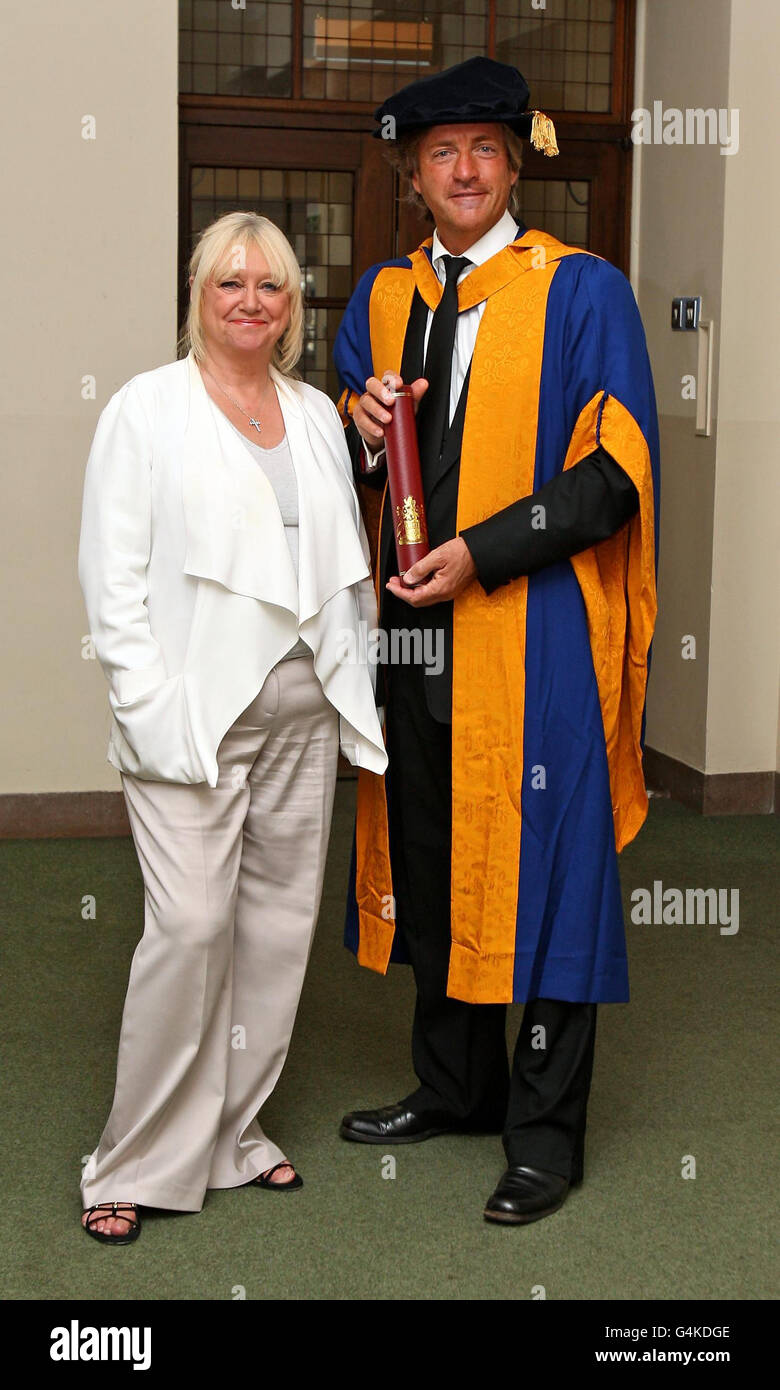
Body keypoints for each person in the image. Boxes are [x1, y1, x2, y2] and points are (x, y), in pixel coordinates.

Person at [334, 57, 659, 1224]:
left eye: (483, 148)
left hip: (536, 632)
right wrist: (356, 424)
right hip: (416, 635)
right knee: (427, 840)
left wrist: (485, 550)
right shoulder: (382, 297)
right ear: (414, 176)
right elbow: (350, 448)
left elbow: (613, 473)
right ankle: (452, 1085)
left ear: (516, 162)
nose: (462, 170)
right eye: (439, 154)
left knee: (550, 865)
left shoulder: (583, 291)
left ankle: (543, 1133)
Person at [77, 211, 386, 1243]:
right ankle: (130, 1159)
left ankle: (230, 1133)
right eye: (229, 284)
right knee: (192, 927)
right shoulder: (145, 411)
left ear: (293, 306)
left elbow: (339, 564)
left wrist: (358, 676)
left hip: (305, 715)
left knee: (274, 930)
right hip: (195, 722)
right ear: (199, 295)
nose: (251, 302)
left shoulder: (312, 416)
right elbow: (113, 582)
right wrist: (148, 709)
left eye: (272, 287)